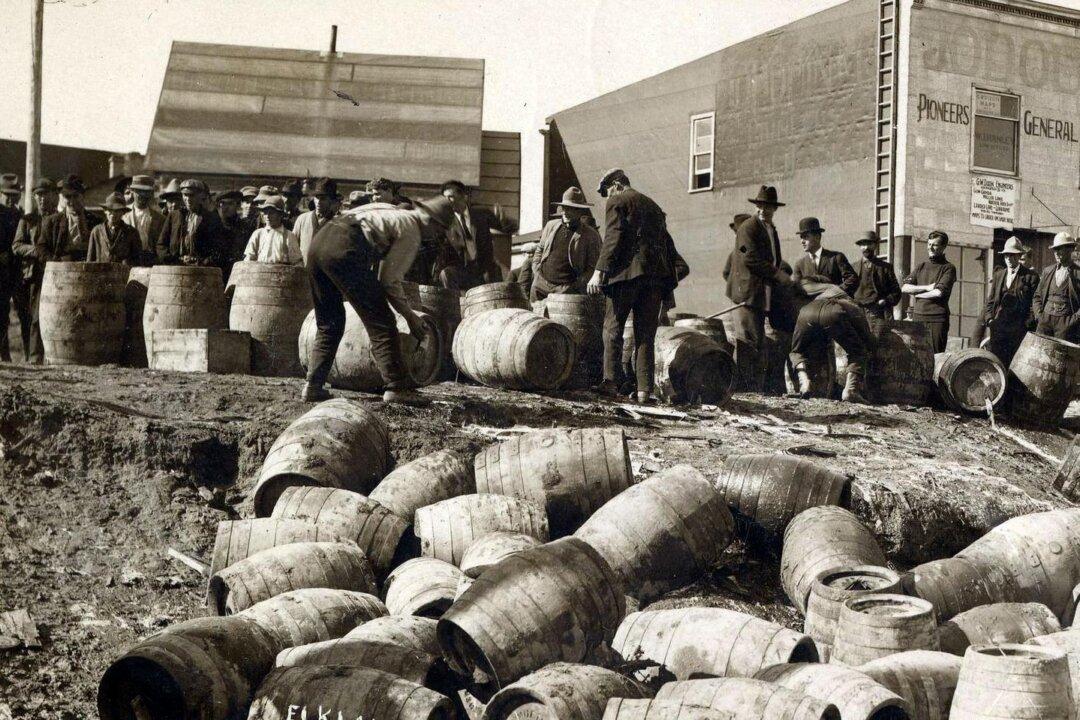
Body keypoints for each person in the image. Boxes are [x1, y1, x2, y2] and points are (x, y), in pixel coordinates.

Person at [301, 196, 455, 404]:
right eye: (439, 231)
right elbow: (388, 281)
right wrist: (410, 317)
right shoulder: (411, 230)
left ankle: (313, 385)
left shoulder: (387, 209)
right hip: (344, 251)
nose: (436, 236)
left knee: (330, 322)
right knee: (382, 322)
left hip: (318, 246)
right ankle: (396, 387)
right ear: (430, 221)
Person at [587, 168, 684, 403]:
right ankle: (644, 391)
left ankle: (610, 383)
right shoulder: (653, 206)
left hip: (625, 277)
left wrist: (598, 272)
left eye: (608, 191)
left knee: (612, 328)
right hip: (654, 281)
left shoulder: (618, 200)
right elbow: (667, 247)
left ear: (618, 185)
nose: (608, 197)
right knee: (644, 335)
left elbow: (613, 236)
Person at [724, 185, 797, 392]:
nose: (763, 210)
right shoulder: (749, 227)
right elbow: (750, 258)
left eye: (767, 207)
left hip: (761, 293)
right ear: (756, 206)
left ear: (775, 209)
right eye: (760, 206)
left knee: (757, 340)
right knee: (748, 340)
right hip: (746, 293)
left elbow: (775, 259)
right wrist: (777, 274)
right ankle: (745, 389)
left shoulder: (771, 230)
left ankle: (753, 387)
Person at [790, 285, 876, 403]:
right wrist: (871, 345)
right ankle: (850, 390)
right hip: (832, 313)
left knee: (797, 351)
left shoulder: (820, 295)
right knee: (858, 351)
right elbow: (865, 334)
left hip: (806, 312)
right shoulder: (852, 304)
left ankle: (804, 382)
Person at [11, 178, 58, 363]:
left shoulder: (59, 219)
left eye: (45, 195)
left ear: (54, 196)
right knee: (31, 318)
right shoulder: (28, 220)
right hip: (32, 274)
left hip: (54, 274)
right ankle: (33, 359)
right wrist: (35, 251)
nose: (42, 199)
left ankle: (48, 358)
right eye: (38, 195)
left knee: (49, 316)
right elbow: (16, 246)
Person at [439, 179, 517, 290]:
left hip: (484, 271)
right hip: (463, 272)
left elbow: (510, 228)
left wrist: (503, 220)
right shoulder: (446, 223)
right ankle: (455, 305)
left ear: (464, 196)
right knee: (445, 273)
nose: (447, 201)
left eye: (450, 196)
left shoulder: (482, 215)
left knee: (495, 274)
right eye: (445, 198)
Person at [973, 236, 1038, 366]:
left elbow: (1033, 304)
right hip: (998, 328)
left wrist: (1026, 324)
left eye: (1012, 255)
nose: (1009, 259)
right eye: (1006, 255)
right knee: (997, 363)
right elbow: (990, 301)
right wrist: (990, 319)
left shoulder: (1031, 277)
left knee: (1015, 365)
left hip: (1018, 330)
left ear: (1019, 256)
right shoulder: (999, 275)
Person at [528, 187, 601, 302]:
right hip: (540, 286)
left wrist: (574, 287)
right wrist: (537, 271)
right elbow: (540, 249)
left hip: (565, 292)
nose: (565, 212)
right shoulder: (551, 226)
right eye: (564, 208)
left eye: (570, 209)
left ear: (579, 211)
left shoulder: (590, 235)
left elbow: (593, 267)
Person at [901, 229, 956, 353]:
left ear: (943, 247)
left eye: (935, 245)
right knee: (917, 356)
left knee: (935, 356)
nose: (930, 248)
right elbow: (905, 288)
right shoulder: (921, 266)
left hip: (937, 319)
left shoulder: (948, 268)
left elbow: (938, 292)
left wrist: (916, 294)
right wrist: (926, 288)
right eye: (929, 244)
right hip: (918, 316)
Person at [155, 179, 228, 267]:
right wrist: (174, 260)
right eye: (185, 195)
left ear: (200, 197)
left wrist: (200, 262)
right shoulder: (173, 216)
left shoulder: (211, 219)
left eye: (192, 195)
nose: (188, 199)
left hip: (202, 271)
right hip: (175, 270)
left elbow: (219, 250)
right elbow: (161, 245)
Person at [1032, 231, 1080, 343]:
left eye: (1060, 249)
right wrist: (1039, 316)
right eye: (1055, 249)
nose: (1056, 253)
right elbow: (1037, 296)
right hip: (1045, 322)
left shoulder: (1078, 273)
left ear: (1070, 249)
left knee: (1062, 358)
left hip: (1066, 325)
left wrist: (1073, 321)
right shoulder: (1047, 271)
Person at [791, 217, 858, 296]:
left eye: (806, 237)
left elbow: (852, 279)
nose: (802, 241)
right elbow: (796, 290)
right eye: (801, 237)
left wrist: (836, 292)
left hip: (834, 304)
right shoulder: (800, 264)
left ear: (817, 237)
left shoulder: (836, 257)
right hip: (811, 306)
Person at [852, 230, 902, 320]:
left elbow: (896, 292)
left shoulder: (885, 267)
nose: (866, 247)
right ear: (859, 246)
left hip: (879, 312)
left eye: (869, 244)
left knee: (878, 334)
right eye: (863, 244)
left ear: (875, 245)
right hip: (857, 312)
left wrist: (885, 301)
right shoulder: (852, 268)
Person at [0, 174, 22, 362]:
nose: (9, 198)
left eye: (13, 195)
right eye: (6, 194)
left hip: (16, 272)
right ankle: (4, 354)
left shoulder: (18, 215)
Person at [293, 177, 341, 263]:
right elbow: (293, 247)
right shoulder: (302, 219)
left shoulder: (338, 222)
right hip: (304, 270)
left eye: (323, 198)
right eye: (317, 197)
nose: (318, 202)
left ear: (331, 200)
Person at [243, 196, 303, 265]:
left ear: (280, 215)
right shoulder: (258, 234)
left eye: (271, 213)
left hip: (280, 274)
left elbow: (298, 262)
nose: (267, 216)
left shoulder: (288, 236)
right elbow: (249, 259)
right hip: (260, 273)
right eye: (265, 212)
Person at [87, 192, 142, 264]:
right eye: (110, 210)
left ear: (123, 212)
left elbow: (137, 260)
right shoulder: (96, 231)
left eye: (117, 211)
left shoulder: (131, 232)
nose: (113, 214)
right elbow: (90, 259)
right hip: (100, 273)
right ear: (105, 211)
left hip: (123, 273)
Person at [123, 175, 164, 265]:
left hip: (151, 263)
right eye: (139, 192)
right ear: (132, 192)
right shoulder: (123, 215)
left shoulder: (159, 218)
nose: (143, 196)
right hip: (128, 262)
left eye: (147, 192)